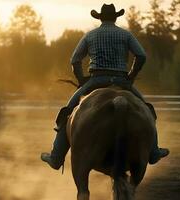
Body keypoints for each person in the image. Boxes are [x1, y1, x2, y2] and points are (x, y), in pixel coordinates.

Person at [41, 4, 169, 170]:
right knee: (147, 111)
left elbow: (75, 60)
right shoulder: (125, 35)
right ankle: (153, 151)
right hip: (122, 81)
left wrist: (81, 80)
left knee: (67, 112)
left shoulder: (90, 35)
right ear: (115, 18)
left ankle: (56, 157)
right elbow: (141, 56)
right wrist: (131, 75)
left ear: (100, 18)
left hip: (95, 80)